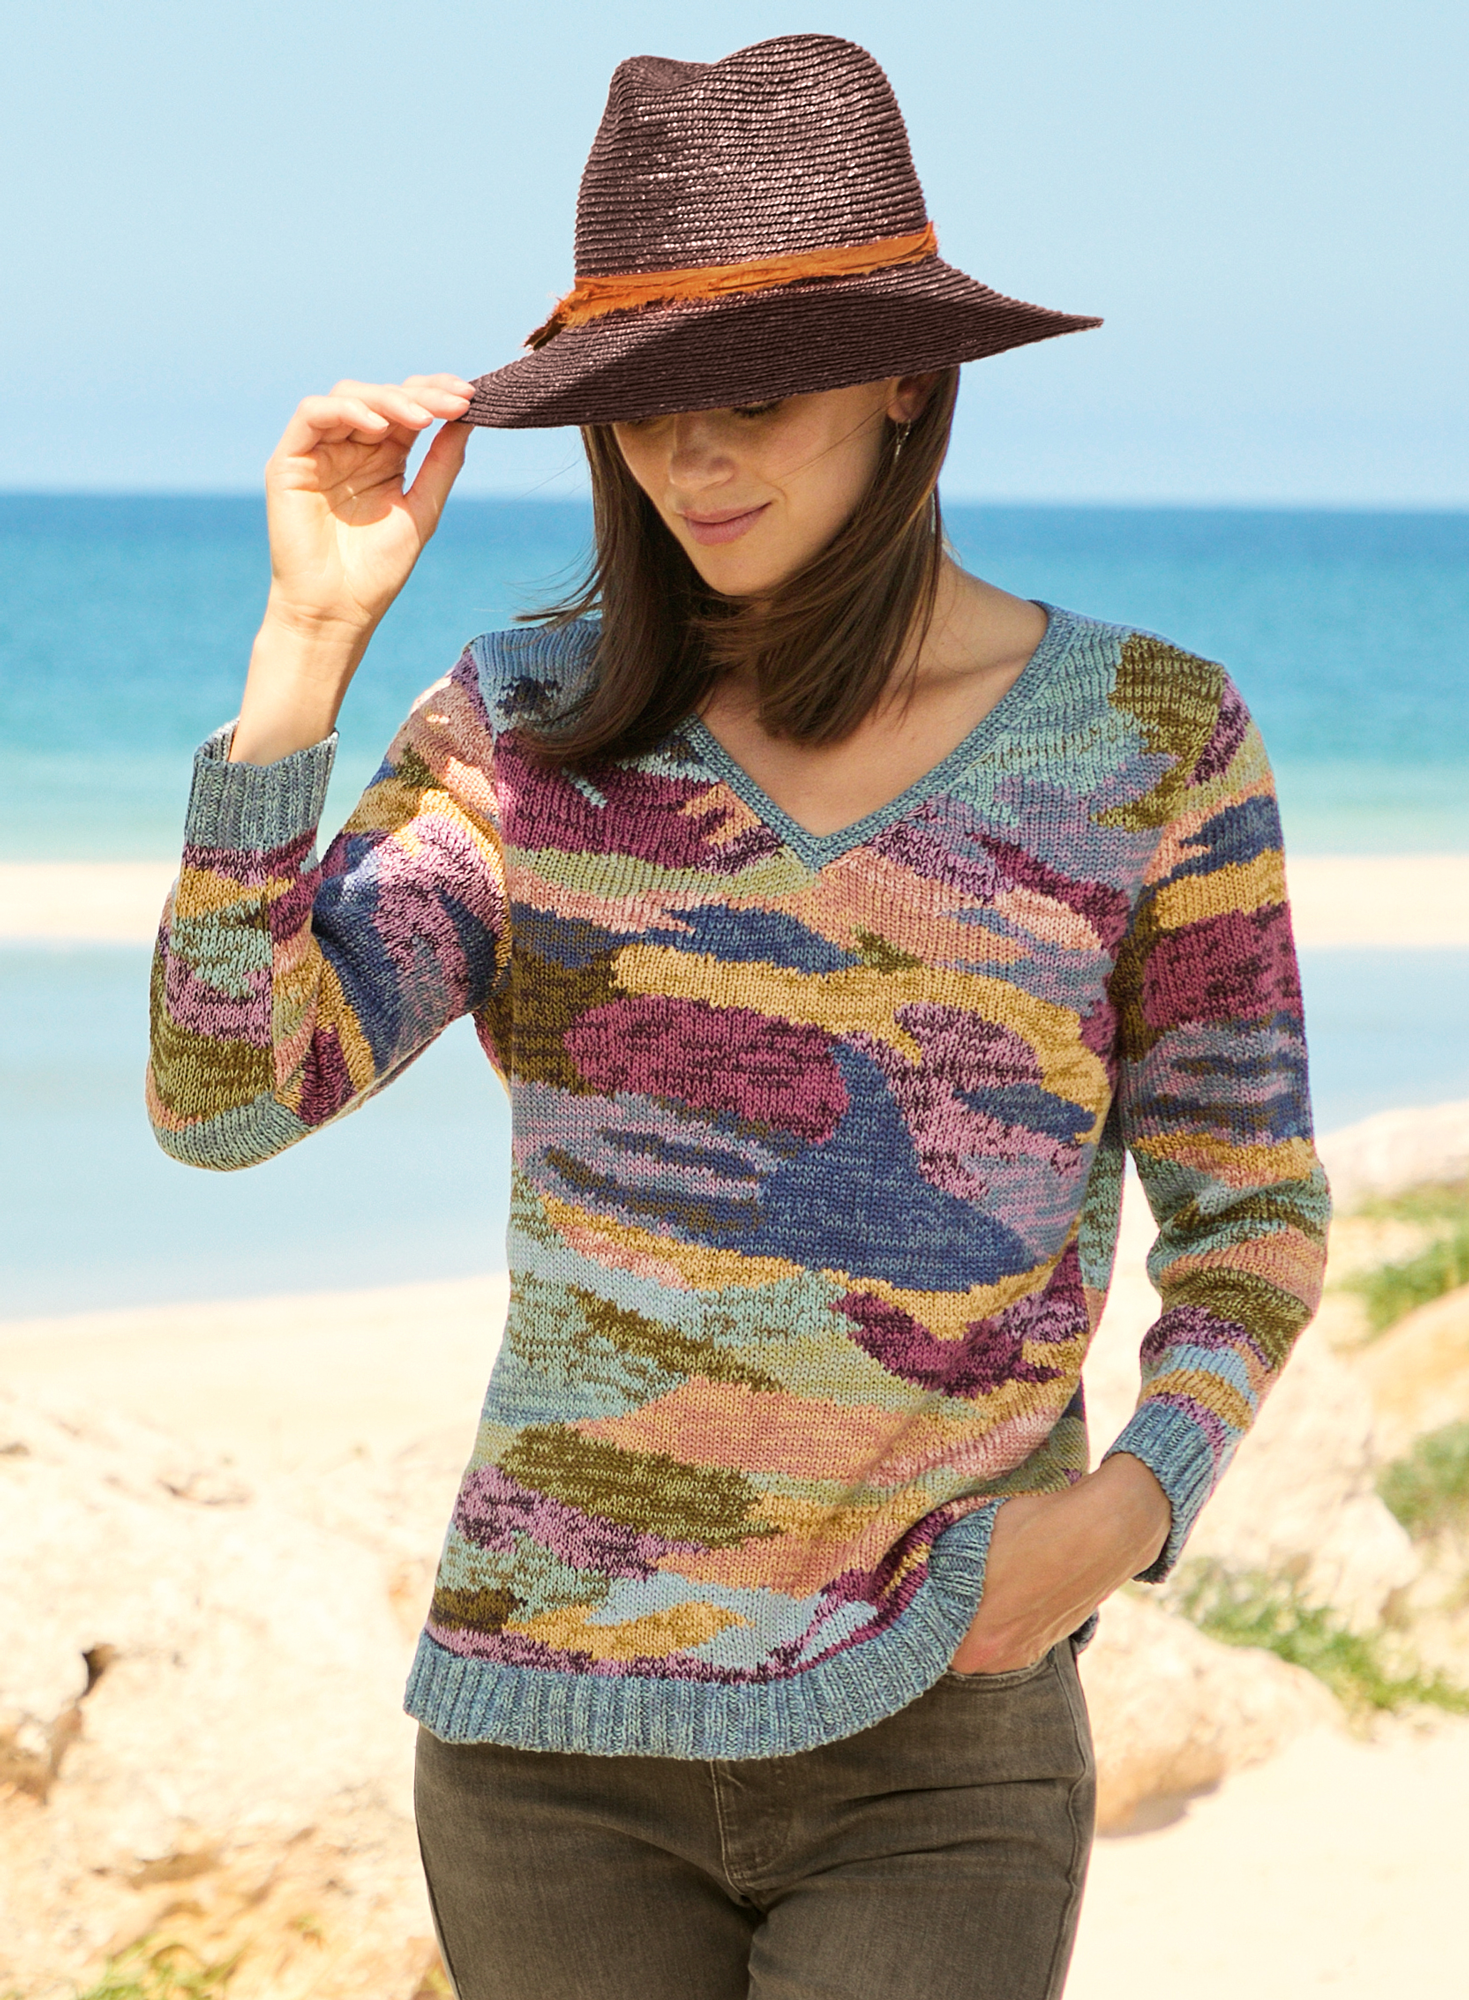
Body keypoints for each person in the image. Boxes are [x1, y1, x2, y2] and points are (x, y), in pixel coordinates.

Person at [147, 32, 1330, 2000]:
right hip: (543, 1755)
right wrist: (306, 651)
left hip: (937, 1731)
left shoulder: (1148, 743)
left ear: (902, 379)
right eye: (641, 408)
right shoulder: (525, 733)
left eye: (753, 397)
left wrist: (1127, 1512)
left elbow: (1253, 1220)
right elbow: (226, 1098)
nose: (691, 461)